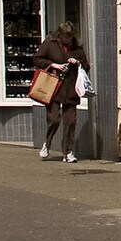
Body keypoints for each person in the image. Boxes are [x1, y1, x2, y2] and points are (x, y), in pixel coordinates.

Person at [33, 20, 89, 163]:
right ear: (60, 35)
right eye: (66, 37)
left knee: (70, 122)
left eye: (70, 37)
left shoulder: (77, 47)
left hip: (71, 89)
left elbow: (86, 66)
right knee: (54, 119)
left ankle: (68, 152)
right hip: (53, 87)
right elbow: (37, 59)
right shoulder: (50, 44)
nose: (68, 39)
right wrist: (54, 65)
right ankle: (47, 142)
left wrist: (78, 63)